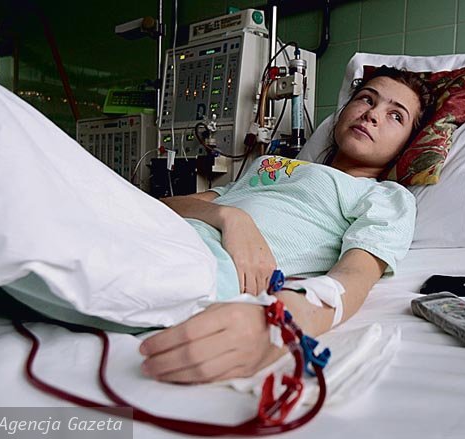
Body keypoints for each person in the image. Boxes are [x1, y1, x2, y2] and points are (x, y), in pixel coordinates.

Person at [138, 66, 435, 384]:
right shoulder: (271, 166)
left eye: (396, 116)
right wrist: (230, 218)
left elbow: (353, 278)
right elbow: (163, 206)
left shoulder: (386, 197)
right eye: (366, 99)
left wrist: (281, 324)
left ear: (406, 145)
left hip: (205, 263)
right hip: (156, 232)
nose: (372, 114)